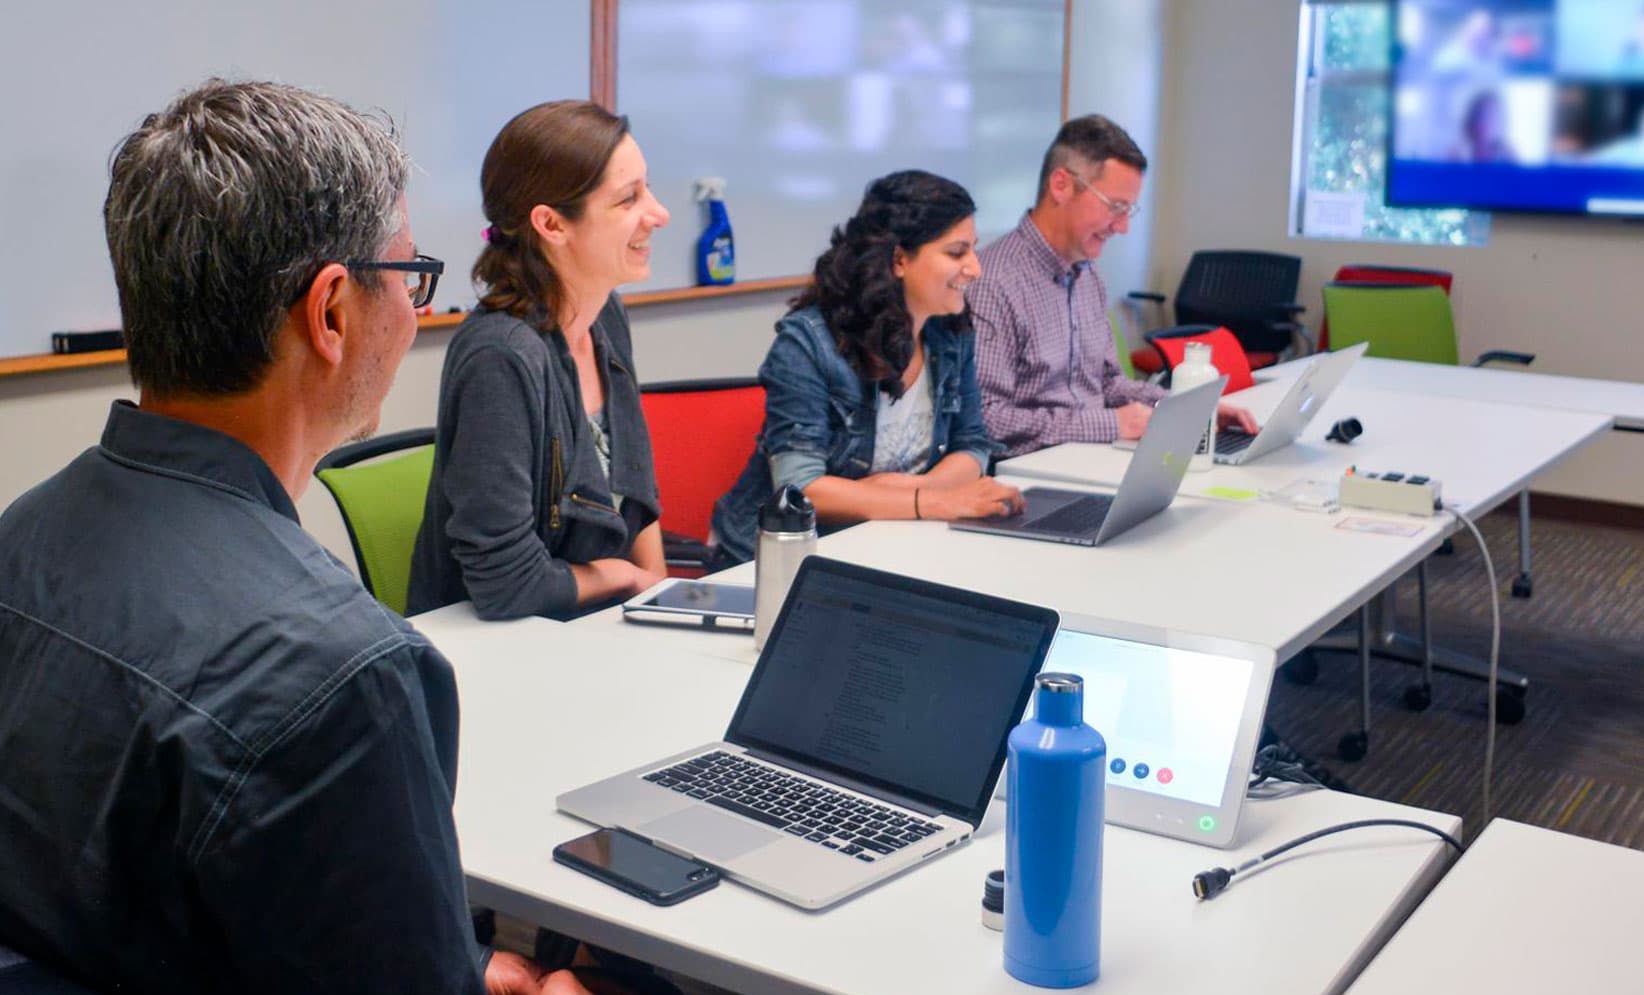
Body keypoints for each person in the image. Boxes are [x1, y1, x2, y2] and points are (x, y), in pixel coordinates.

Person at [0, 80, 592, 995]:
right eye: (409, 278)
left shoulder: (20, 540)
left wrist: (462, 967)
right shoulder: (344, 678)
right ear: (329, 313)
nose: (418, 313)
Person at [408, 101, 671, 620]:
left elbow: (635, 489)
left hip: (593, 624)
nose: (658, 214)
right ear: (551, 224)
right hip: (506, 649)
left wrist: (662, 594)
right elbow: (505, 584)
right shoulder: (500, 358)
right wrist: (623, 577)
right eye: (628, 199)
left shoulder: (605, 317)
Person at [709, 170, 1020, 568]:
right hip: (784, 559)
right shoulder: (808, 343)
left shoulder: (949, 331)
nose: (975, 269)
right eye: (957, 253)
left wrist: (914, 491)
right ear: (899, 260)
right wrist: (932, 500)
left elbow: (973, 444)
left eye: (974, 250)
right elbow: (801, 488)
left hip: (894, 544)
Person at [968, 115, 1256, 461]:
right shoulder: (992, 282)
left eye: (1128, 210)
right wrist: (1110, 425)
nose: (1122, 227)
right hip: (1032, 473)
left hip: (1097, 456)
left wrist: (1185, 409)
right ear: (1061, 185)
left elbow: (1108, 384)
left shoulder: (1087, 274)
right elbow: (986, 418)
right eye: (1115, 207)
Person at [1451, 90, 1516, 163]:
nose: (1486, 122)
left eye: (1492, 116)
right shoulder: (1457, 155)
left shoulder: (1507, 156)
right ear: (1473, 119)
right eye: (1482, 115)